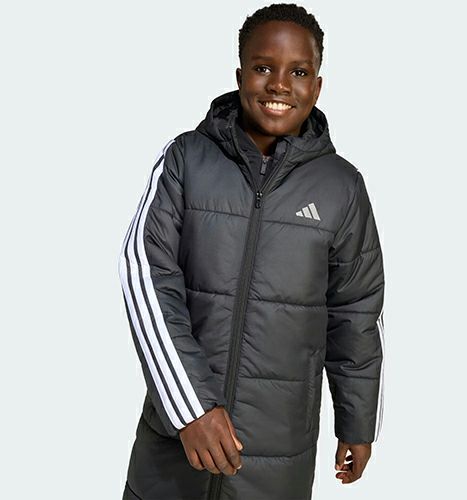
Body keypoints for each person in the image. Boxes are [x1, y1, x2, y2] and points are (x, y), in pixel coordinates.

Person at [118, 3, 385, 499]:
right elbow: (145, 278)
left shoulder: (342, 188)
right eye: (264, 67)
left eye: (298, 72)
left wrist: (358, 420)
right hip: (174, 451)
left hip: (278, 455)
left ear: (317, 87)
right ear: (240, 75)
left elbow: (357, 312)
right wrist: (191, 408)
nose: (279, 84)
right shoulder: (185, 160)